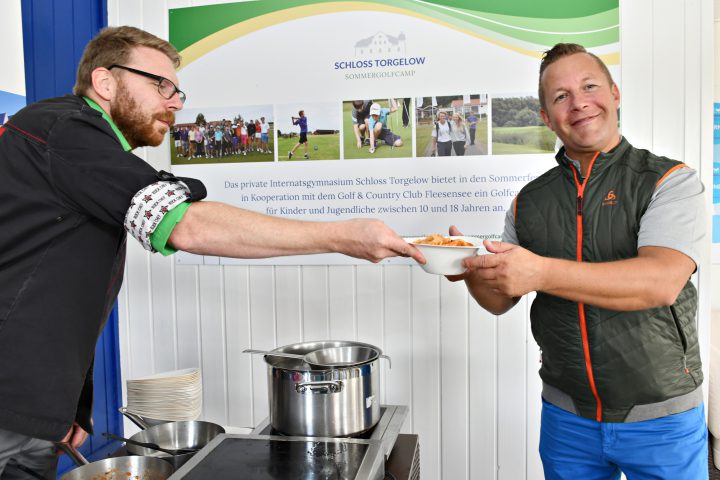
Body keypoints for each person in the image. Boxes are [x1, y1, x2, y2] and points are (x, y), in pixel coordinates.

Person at [0, 26, 425, 479]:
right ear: (105, 82)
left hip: (35, 405)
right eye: (160, 85)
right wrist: (343, 236)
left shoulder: (86, 150)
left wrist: (66, 404)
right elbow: (186, 225)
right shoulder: (64, 128)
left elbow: (54, 282)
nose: (176, 102)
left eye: (177, 90)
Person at [449, 43, 707, 479]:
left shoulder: (669, 180)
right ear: (546, 118)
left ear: (615, 93)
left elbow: (660, 281)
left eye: (589, 86)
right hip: (567, 417)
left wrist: (541, 271)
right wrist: (470, 269)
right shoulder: (528, 202)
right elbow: (499, 301)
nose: (579, 102)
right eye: (561, 96)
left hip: (663, 418)